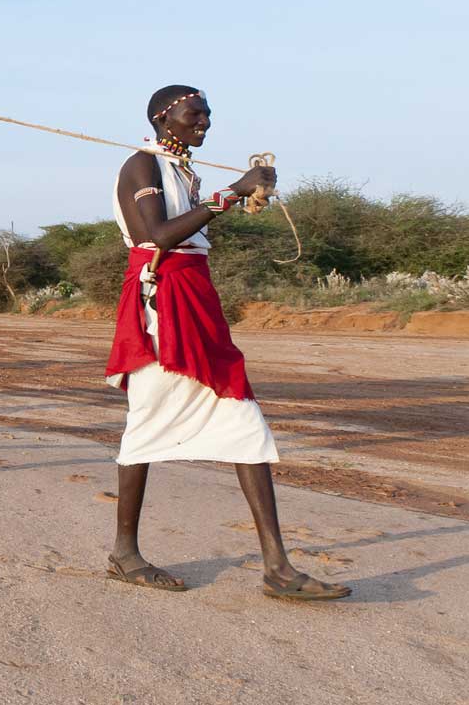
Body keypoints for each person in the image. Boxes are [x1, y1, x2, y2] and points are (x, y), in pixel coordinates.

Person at [103, 85, 350, 601]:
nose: (205, 123)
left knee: (245, 422)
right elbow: (160, 234)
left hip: (195, 301)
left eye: (208, 115)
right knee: (147, 423)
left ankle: (277, 568)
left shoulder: (180, 170)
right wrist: (231, 194)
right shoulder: (139, 167)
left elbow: (189, 233)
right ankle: (125, 554)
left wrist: (235, 195)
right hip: (163, 307)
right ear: (162, 117)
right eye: (195, 114)